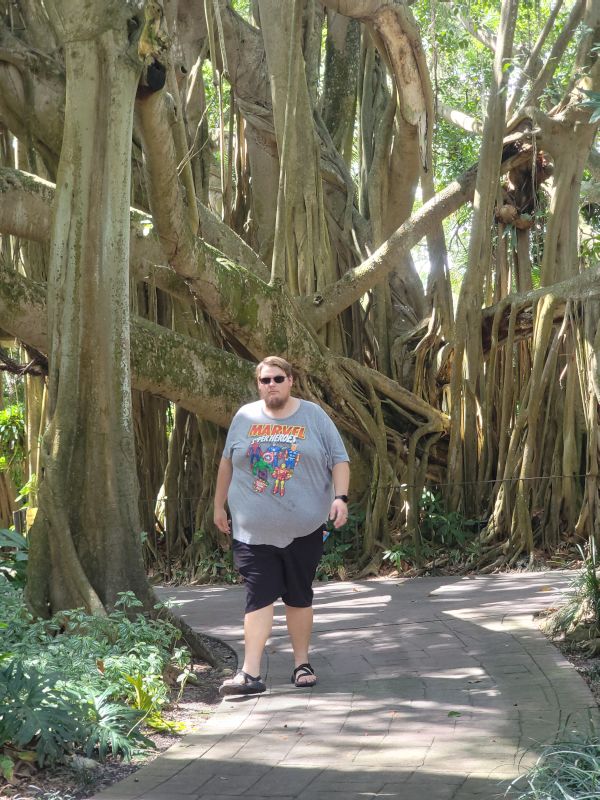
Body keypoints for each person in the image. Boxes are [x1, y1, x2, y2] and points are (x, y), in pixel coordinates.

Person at [214, 356, 350, 695]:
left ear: (290, 380)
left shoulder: (313, 416)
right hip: (252, 532)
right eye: (265, 380)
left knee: (298, 595)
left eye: (277, 378)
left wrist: (340, 498)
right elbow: (227, 463)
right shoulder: (244, 417)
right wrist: (218, 505)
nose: (271, 385)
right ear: (258, 384)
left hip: (304, 528)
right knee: (257, 596)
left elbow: (340, 460)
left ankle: (301, 663)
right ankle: (250, 673)